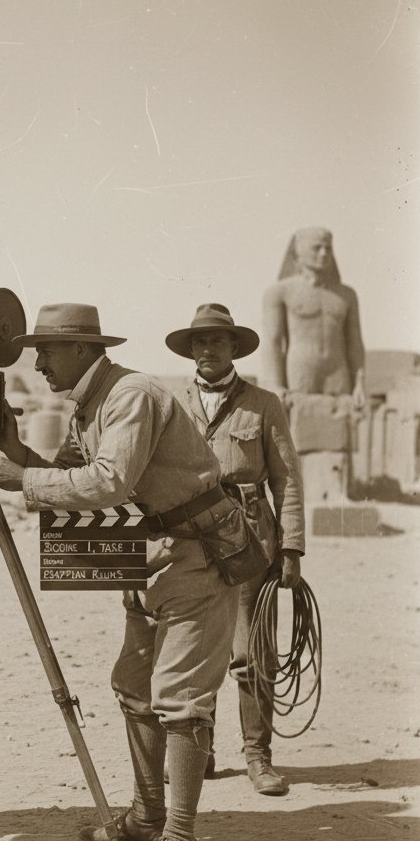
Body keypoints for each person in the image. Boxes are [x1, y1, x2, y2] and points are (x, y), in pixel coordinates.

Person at [0, 303, 266, 841]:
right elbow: (69, 480)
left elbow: (108, 483)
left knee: (180, 697)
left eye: (46, 350)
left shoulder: (130, 395)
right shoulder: (90, 403)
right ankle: (146, 816)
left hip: (196, 556)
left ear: (83, 350)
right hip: (149, 557)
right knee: (134, 686)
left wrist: (24, 480)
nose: (37, 364)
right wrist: (15, 450)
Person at [166, 303, 306, 795]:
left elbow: (287, 479)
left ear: (234, 348)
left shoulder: (264, 404)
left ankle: (257, 756)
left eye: (217, 341)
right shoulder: (171, 402)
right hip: (190, 539)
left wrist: (291, 548)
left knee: (252, 652)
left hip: (249, 540)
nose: (207, 349)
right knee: (194, 650)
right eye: (199, 341)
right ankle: (198, 753)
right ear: (190, 350)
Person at [262, 226, 366, 403]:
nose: (324, 253)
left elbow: (355, 344)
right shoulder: (280, 292)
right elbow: (273, 341)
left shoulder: (347, 295)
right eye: (316, 248)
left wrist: (360, 384)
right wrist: (274, 384)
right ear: (299, 252)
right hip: (300, 374)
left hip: (338, 375)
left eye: (328, 248)